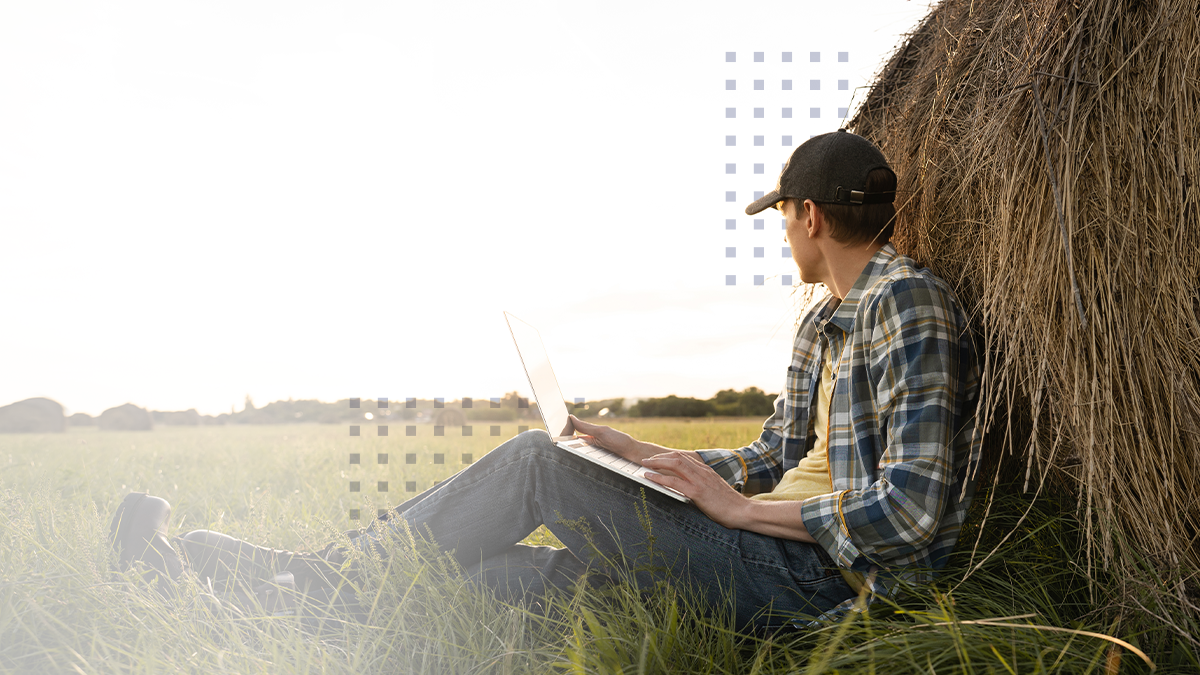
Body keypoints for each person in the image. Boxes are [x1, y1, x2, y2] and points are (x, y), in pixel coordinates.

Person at [109, 129, 981, 636]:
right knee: (487, 579)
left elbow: (911, 511)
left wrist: (736, 511)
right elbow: (775, 454)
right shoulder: (823, 319)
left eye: (783, 213)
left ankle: (303, 572)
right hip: (766, 552)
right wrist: (636, 451)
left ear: (810, 215)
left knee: (534, 461)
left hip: (815, 583)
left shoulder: (906, 303)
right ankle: (233, 581)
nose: (782, 228)